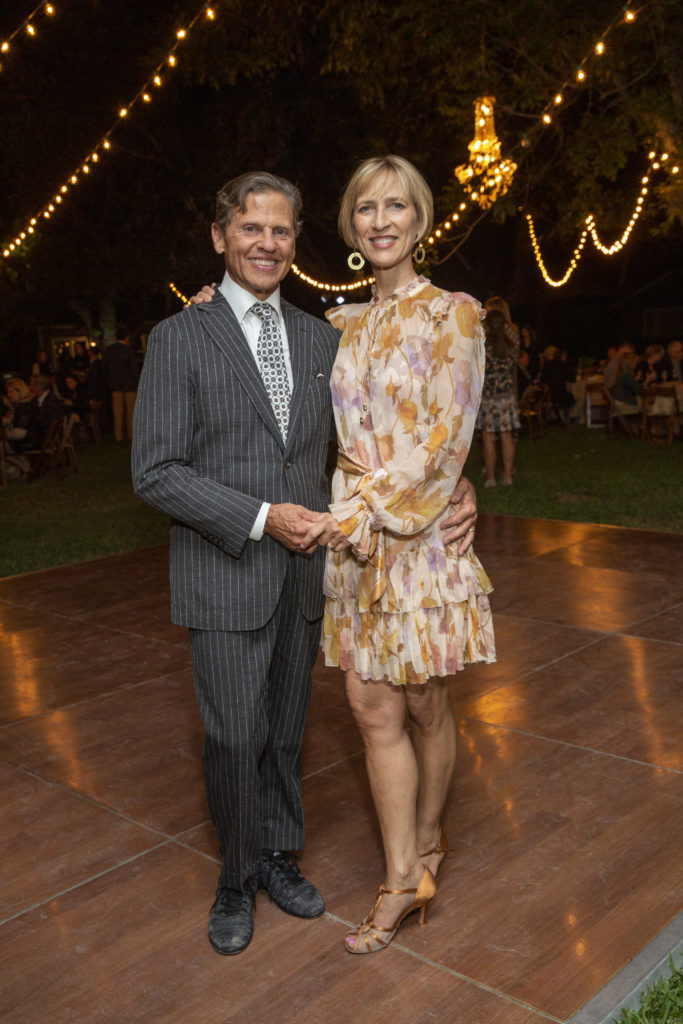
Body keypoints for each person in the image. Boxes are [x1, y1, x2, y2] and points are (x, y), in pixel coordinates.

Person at [132, 170, 481, 958]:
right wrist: (261, 518)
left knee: (288, 732)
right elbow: (154, 472)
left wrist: (459, 483)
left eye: (281, 230)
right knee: (233, 738)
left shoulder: (324, 336)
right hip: (226, 567)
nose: (266, 242)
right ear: (220, 236)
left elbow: (395, 425)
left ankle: (279, 855)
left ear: (296, 241)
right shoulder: (178, 336)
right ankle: (235, 878)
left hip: (313, 569)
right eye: (249, 228)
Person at [299, 155, 496, 955]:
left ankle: (428, 834)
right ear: (350, 224)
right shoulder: (336, 324)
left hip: (414, 537)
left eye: (395, 206)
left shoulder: (455, 314)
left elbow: (448, 436)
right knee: (369, 708)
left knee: (424, 704)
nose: (380, 221)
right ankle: (401, 876)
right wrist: (212, 302)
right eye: (365, 208)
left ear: (419, 219)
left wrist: (376, 507)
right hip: (354, 545)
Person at [476, 308, 520, 487]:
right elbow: (512, 332)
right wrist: (504, 324)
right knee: (506, 435)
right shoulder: (512, 343)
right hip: (506, 394)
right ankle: (507, 475)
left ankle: (490, 478)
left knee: (488, 437)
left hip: (488, 394)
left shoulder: (483, 343)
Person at [2, 377, 43, 476]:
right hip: (35, 440)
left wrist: (4, 434)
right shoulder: (28, 404)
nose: (9, 395)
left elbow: (19, 433)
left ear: (19, 391)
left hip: (27, 443)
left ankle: (22, 466)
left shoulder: (23, 408)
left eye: (11, 392)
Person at [103, 331, 139, 441]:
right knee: (131, 411)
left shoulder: (109, 350)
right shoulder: (128, 351)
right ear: (126, 338)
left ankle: (118, 435)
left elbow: (105, 368)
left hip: (116, 385)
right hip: (130, 385)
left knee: (117, 411)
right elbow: (134, 369)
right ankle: (131, 434)